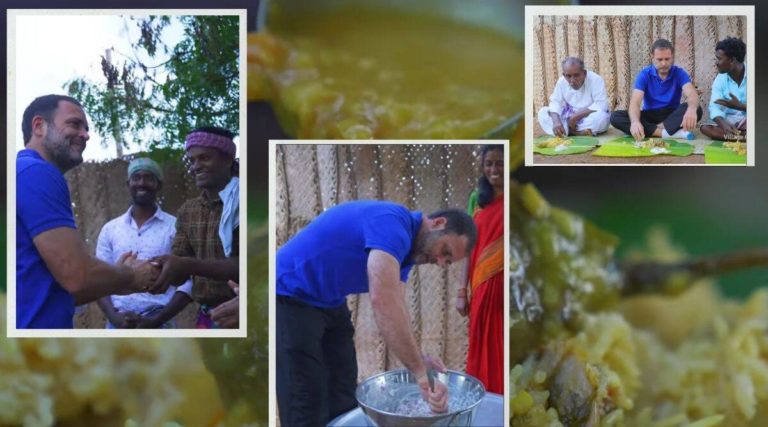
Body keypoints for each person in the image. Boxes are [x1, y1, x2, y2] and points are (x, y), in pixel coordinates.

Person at [276, 201, 478, 426]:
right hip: (288, 293)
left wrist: (419, 359)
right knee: (304, 399)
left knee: (343, 393)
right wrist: (420, 373)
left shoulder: (407, 253)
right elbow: (383, 301)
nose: (439, 261)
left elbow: (398, 310)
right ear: (438, 223)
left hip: (329, 302)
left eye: (446, 262)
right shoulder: (392, 224)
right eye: (444, 251)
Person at [17, 94, 160, 329]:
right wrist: (131, 275)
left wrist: (117, 278)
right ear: (39, 126)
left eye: (86, 128)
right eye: (74, 124)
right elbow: (77, 275)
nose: (85, 135)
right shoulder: (36, 172)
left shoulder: (22, 173)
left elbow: (57, 293)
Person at [150, 127, 240, 328]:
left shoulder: (246, 203)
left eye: (204, 158)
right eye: (192, 160)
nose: (196, 166)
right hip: (208, 316)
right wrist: (156, 270)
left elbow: (248, 266)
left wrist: (187, 265)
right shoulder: (187, 211)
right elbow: (180, 267)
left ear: (227, 160)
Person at [95, 158, 193, 328]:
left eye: (149, 178)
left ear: (158, 185)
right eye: (136, 178)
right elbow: (98, 278)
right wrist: (114, 318)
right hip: (117, 322)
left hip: (161, 322)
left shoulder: (175, 227)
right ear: (128, 184)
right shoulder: (110, 229)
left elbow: (188, 282)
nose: (142, 183)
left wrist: (157, 320)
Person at [456, 145, 504, 394]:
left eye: (499, 163)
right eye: (489, 164)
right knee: (481, 342)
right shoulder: (477, 199)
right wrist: (461, 291)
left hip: (507, 283)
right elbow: (468, 248)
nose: (494, 169)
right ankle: (483, 398)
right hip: (482, 284)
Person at [610, 39, 702, 141]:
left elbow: (692, 94)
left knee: (697, 109)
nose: (664, 63)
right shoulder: (645, 75)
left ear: (672, 57)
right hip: (650, 115)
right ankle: (666, 133)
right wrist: (635, 122)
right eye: (659, 59)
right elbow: (635, 102)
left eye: (667, 59)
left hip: (672, 115)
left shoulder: (679, 73)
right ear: (652, 57)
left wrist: (691, 109)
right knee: (615, 117)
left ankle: (653, 130)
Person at [538, 57, 610, 137]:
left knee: (602, 118)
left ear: (584, 73)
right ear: (564, 75)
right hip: (568, 116)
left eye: (576, 75)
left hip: (587, 115)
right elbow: (555, 102)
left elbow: (601, 104)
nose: (572, 80)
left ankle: (566, 132)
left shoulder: (595, 79)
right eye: (568, 76)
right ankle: (575, 132)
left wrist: (574, 118)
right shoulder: (561, 81)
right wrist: (556, 121)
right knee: (543, 112)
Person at [700, 37, 747, 141]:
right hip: (730, 121)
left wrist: (741, 106)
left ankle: (739, 136)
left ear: (732, 60)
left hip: (752, 119)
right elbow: (714, 107)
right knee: (705, 128)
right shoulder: (720, 79)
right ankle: (744, 137)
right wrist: (723, 124)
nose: (716, 62)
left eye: (719, 58)